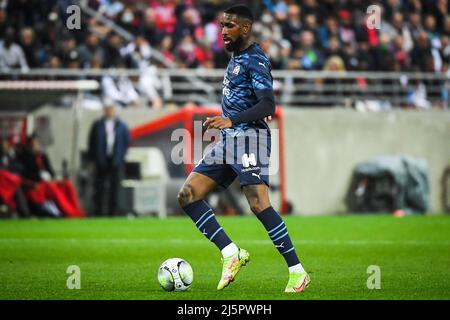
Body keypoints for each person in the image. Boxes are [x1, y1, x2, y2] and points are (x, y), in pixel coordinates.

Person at [177, 5, 310, 293]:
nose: (223, 31)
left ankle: (297, 272)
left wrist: (230, 119)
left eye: (230, 26)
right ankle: (230, 253)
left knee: (258, 204)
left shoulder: (256, 60)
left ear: (245, 28)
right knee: (187, 195)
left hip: (250, 138)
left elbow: (267, 105)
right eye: (222, 25)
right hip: (229, 140)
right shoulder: (236, 57)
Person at [88, 101, 130, 216]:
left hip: (115, 161)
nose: (109, 111)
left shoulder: (121, 125)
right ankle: (98, 212)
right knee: (99, 188)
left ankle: (113, 213)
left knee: (114, 189)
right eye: (107, 108)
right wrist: (93, 159)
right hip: (101, 160)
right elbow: (92, 143)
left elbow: (126, 143)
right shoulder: (98, 125)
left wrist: (120, 157)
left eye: (111, 108)